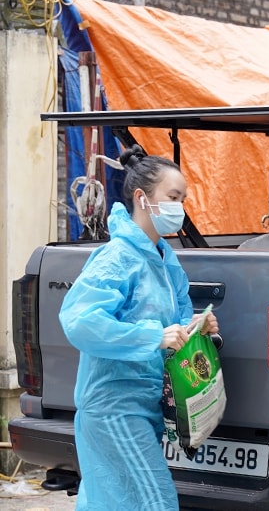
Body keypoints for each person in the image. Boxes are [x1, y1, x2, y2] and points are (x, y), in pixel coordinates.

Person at [59, 144, 219, 510]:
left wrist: (197, 326)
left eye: (183, 198)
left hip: (141, 404)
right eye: (173, 196)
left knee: (113, 502)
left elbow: (174, 324)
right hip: (113, 405)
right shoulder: (118, 258)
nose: (179, 207)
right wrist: (152, 336)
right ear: (141, 198)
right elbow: (80, 321)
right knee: (153, 501)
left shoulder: (164, 260)